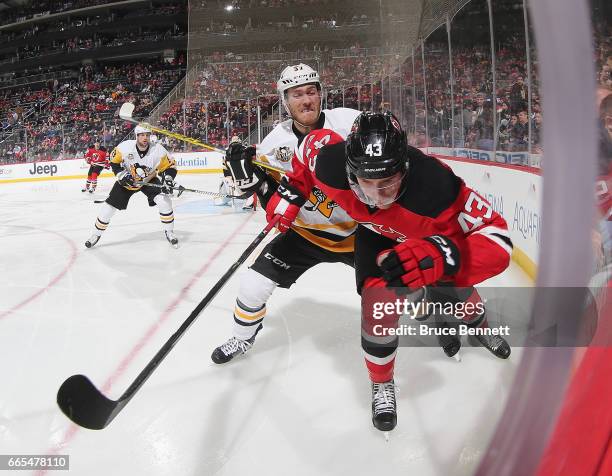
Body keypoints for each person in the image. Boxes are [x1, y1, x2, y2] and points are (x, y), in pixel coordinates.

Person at [265, 112, 513, 432]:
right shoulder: (328, 160)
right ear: (349, 170)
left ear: (405, 169)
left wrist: (442, 256)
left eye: (388, 183)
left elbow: (499, 241)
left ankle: (480, 325)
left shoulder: (438, 187)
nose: (377, 198)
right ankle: (381, 383)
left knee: (461, 294)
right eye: (365, 184)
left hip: (429, 241)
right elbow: (304, 152)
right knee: (378, 311)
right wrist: (291, 192)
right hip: (376, 238)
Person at [210, 63, 361, 363]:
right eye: (296, 95)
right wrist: (249, 181)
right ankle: (242, 338)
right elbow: (269, 200)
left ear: (320, 95)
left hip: (359, 232)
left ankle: (443, 320)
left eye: (311, 92)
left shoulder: (350, 123)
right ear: (285, 101)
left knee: (404, 282)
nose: (306, 100)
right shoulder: (273, 145)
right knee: (252, 285)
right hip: (306, 235)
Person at [84, 125, 179, 249]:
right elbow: (114, 161)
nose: (145, 138)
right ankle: (95, 235)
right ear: (137, 136)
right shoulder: (125, 147)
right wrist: (121, 175)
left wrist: (168, 179)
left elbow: (169, 166)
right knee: (108, 208)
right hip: (127, 182)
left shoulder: (158, 150)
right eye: (142, 135)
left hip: (148, 180)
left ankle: (169, 232)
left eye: (147, 135)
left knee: (164, 201)